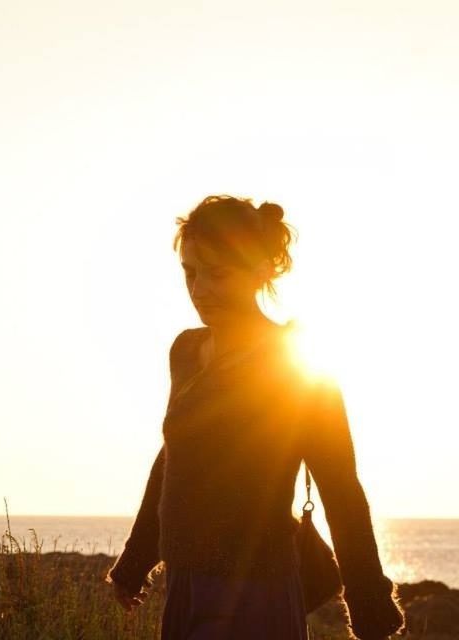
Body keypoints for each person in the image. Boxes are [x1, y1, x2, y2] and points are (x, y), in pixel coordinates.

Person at [105, 195, 405, 640]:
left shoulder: (294, 364)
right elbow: (174, 456)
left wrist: (370, 611)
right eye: (190, 272)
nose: (200, 288)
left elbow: (342, 491)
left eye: (218, 273)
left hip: (256, 594)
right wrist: (134, 563)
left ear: (262, 269)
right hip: (184, 586)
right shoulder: (187, 351)